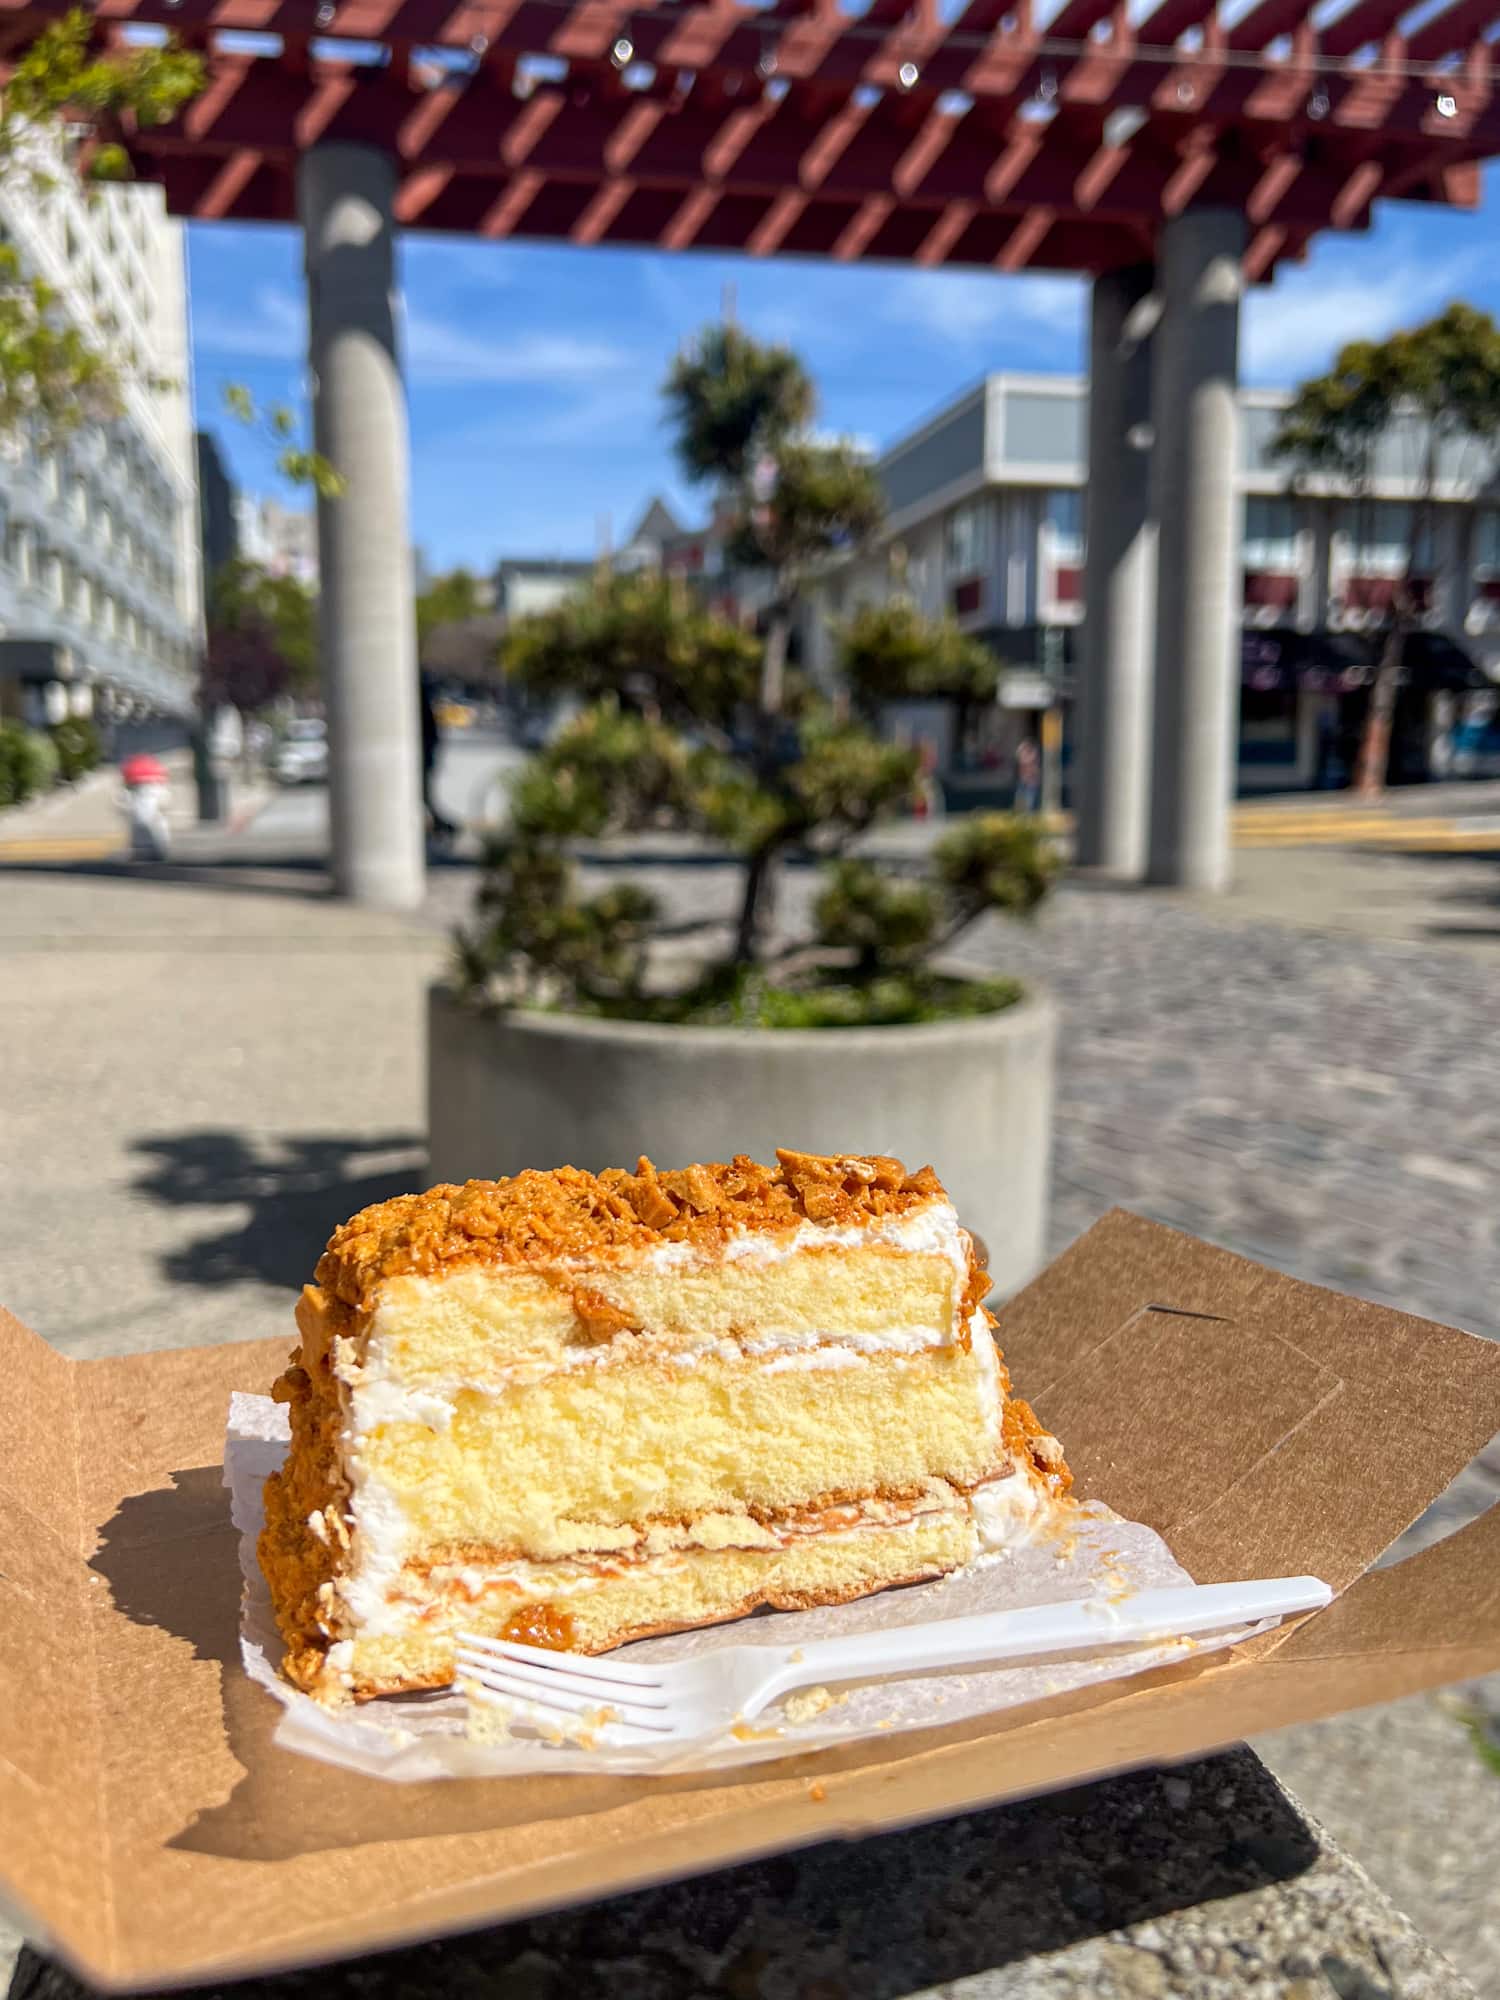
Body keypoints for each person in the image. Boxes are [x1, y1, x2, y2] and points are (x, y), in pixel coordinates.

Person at [419, 673, 458, 845]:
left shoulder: (419, 702)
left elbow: (429, 735)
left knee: (425, 798)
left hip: (421, 758)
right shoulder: (423, 702)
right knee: (425, 799)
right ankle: (441, 828)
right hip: (423, 757)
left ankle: (446, 827)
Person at [1013, 736, 1041, 814]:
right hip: (1022, 782)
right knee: (1019, 803)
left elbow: (1028, 761)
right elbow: (1019, 757)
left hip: (1031, 783)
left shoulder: (1033, 755)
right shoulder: (1023, 754)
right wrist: (1022, 748)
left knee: (1030, 804)